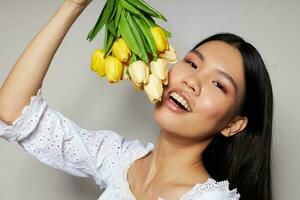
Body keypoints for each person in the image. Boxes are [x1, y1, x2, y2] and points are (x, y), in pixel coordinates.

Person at [0, 0, 273, 200]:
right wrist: (73, 5)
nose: (192, 80)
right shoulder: (119, 159)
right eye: (191, 63)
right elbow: (13, 112)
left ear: (234, 124)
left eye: (218, 84)